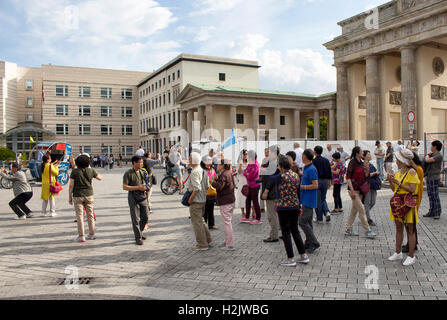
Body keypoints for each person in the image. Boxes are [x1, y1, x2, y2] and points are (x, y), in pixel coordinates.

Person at [270, 155, 309, 267]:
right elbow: (298, 191)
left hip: (284, 207)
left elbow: (267, 179)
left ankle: (290, 258)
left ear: (281, 166)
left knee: (286, 232)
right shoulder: (296, 175)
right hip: (295, 206)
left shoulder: (279, 177)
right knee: (295, 230)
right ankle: (303, 255)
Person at [387, 149, 420, 266]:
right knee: (398, 228)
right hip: (398, 203)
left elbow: (412, 189)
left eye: (397, 159)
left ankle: (411, 255)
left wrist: (397, 182)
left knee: (410, 230)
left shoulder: (412, 172)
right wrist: (391, 181)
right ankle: (398, 252)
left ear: (402, 160)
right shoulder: (398, 172)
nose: (396, 161)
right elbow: (394, 189)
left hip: (407, 203)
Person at [69, 155, 102, 242]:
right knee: (90, 215)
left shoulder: (75, 172)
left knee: (80, 216)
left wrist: (70, 196)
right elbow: (100, 178)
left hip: (78, 195)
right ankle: (92, 234)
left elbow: (71, 185)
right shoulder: (91, 170)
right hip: (89, 195)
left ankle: (81, 235)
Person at [345, 147, 376, 238]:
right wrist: (351, 190)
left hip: (361, 190)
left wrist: (367, 169)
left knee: (354, 210)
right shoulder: (352, 163)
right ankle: (368, 230)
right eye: (361, 151)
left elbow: (366, 176)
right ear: (357, 153)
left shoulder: (362, 163)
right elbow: (348, 177)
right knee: (362, 209)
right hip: (353, 190)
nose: (363, 153)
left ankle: (349, 229)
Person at [187, 152, 212, 251]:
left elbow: (196, 188)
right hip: (203, 200)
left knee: (197, 223)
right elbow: (206, 186)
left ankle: (202, 244)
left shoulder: (194, 172)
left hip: (196, 201)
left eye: (190, 158)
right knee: (201, 221)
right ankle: (208, 239)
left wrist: (191, 198)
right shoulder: (203, 171)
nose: (188, 160)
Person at [123, 156, 150, 245]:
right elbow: (125, 187)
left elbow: (148, 183)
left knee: (145, 216)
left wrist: (146, 187)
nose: (141, 164)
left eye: (142, 162)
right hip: (133, 196)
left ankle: (140, 231)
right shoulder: (128, 173)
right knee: (135, 218)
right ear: (134, 163)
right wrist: (138, 187)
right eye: (139, 162)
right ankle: (138, 237)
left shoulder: (143, 172)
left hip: (143, 196)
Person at [299, 149, 320, 254]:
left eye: (302, 155)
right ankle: (309, 242)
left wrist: (303, 186)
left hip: (309, 199)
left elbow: (315, 185)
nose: (301, 157)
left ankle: (314, 242)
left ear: (306, 157)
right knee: (308, 221)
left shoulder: (311, 169)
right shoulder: (306, 167)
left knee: (302, 221)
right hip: (305, 198)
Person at [402, 152, 424, 253]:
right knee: (409, 223)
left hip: (414, 198)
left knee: (411, 223)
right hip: (410, 198)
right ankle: (413, 243)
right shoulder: (413, 169)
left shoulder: (417, 169)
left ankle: (411, 244)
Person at [212, 159, 236, 251]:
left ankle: (230, 245)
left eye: (218, 164)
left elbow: (220, 186)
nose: (217, 165)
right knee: (227, 222)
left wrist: (212, 182)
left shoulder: (225, 174)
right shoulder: (227, 172)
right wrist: (217, 178)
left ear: (222, 165)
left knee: (227, 223)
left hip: (226, 201)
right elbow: (223, 182)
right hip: (229, 200)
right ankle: (227, 241)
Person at [423, 140, 443, 220]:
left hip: (434, 178)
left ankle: (437, 212)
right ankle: (431, 211)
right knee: (430, 195)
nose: (430, 147)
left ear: (435, 147)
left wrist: (427, 156)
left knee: (435, 195)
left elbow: (427, 160)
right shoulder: (432, 154)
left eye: (431, 146)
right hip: (429, 177)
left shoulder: (438, 155)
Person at [312, 146, 332, 223]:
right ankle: (326, 212)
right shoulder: (326, 160)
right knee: (323, 198)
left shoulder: (314, 161)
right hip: (325, 181)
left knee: (317, 200)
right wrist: (330, 180)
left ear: (315, 152)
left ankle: (319, 218)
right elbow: (329, 171)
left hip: (316, 181)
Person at [242, 150, 262, 225]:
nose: (246, 157)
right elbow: (245, 172)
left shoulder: (256, 164)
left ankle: (258, 218)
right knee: (248, 201)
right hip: (250, 185)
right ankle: (247, 217)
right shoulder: (250, 164)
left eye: (248, 156)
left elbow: (251, 176)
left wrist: (247, 173)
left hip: (255, 186)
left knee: (255, 202)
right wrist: (247, 173)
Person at [363, 150, 381, 227]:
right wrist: (374, 173)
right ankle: (368, 219)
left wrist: (376, 173)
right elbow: (365, 175)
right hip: (367, 185)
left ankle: (363, 214)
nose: (370, 156)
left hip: (373, 185)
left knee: (373, 202)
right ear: (364, 156)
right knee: (367, 203)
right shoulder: (363, 165)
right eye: (368, 155)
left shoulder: (370, 164)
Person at [202, 156, 218, 230]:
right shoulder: (202, 170)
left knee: (211, 209)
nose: (210, 161)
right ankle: (204, 224)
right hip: (204, 191)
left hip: (212, 191)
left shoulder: (212, 169)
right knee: (204, 210)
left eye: (210, 160)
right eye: (208, 159)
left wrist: (215, 178)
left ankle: (211, 224)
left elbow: (215, 178)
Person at [235, 150, 249, 219]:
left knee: (249, 197)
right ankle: (243, 213)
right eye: (245, 154)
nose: (246, 155)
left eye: (247, 154)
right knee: (241, 197)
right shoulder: (238, 164)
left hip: (248, 181)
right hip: (241, 182)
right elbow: (239, 172)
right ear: (242, 155)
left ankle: (251, 211)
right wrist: (240, 164)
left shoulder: (249, 163)